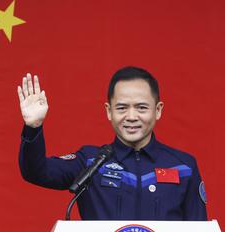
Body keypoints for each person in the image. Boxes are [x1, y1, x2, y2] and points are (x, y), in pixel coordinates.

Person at [17, 66, 207, 220]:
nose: (131, 116)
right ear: (109, 111)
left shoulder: (183, 167)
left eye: (141, 108)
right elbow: (36, 171)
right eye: (122, 108)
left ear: (158, 110)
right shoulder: (90, 162)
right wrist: (33, 127)